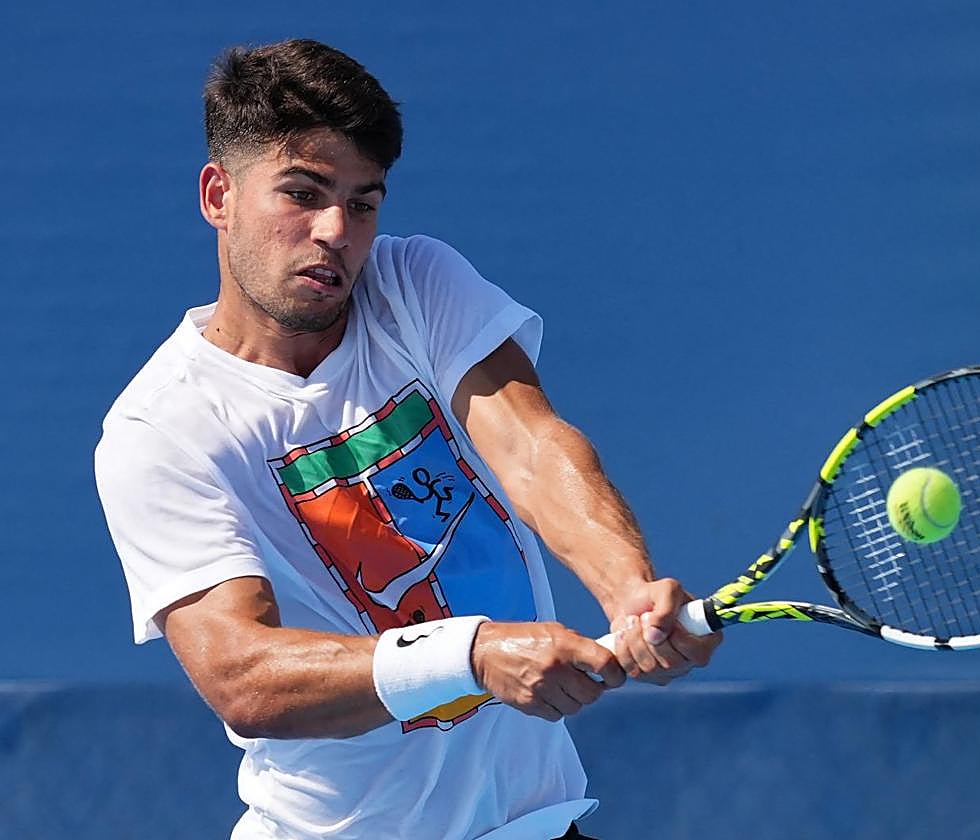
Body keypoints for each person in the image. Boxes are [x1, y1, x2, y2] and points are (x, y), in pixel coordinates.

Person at [95, 38, 720, 840]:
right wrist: (468, 655)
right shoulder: (159, 430)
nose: (335, 230)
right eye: (302, 193)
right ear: (219, 195)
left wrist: (628, 589)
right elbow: (243, 675)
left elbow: (531, 448)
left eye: (363, 203)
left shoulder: (415, 283)